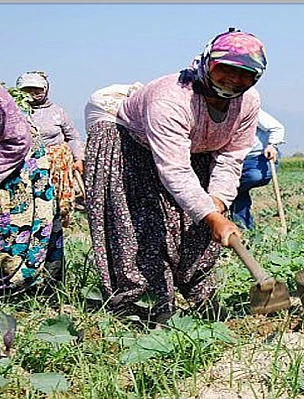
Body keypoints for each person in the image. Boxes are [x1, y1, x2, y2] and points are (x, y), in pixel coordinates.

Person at [83, 28, 267, 322]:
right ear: (207, 63)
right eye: (225, 69)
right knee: (141, 226)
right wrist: (211, 215)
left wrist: (217, 201)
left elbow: (232, 154)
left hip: (194, 151)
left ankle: (200, 294)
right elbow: (175, 169)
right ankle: (143, 308)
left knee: (198, 225)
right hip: (130, 142)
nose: (235, 79)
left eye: (245, 73)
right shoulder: (170, 99)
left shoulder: (248, 102)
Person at [0, 85, 63, 297]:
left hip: (20, 170)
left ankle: (20, 284)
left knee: (21, 230)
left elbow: (17, 142)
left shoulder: (8, 107)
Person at [16, 71, 84, 227]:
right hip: (29, 163)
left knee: (58, 203)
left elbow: (72, 136)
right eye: (27, 90)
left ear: (45, 89)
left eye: (37, 89)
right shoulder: (17, 112)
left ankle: (57, 231)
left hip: (57, 164)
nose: (32, 93)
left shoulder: (57, 112)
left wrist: (78, 159)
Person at [229, 109, 285, 229]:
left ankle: (230, 191)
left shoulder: (249, 109)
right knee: (239, 193)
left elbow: (276, 128)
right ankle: (244, 227)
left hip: (259, 155)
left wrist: (272, 144)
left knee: (256, 177)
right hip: (236, 158)